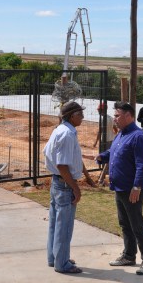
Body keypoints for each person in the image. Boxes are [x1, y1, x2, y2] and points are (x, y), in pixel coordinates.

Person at [96, 101, 143, 275]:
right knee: (125, 224)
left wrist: (137, 186)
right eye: (114, 115)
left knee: (137, 224)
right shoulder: (121, 135)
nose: (114, 119)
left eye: (117, 115)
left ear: (128, 116)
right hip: (120, 188)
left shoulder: (138, 136)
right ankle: (129, 255)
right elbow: (115, 152)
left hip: (131, 189)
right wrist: (101, 156)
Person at [44, 101, 95, 274]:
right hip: (65, 185)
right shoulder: (67, 134)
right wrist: (75, 188)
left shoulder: (59, 130)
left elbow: (48, 153)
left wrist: (85, 178)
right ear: (72, 116)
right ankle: (62, 264)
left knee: (55, 223)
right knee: (64, 226)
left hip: (57, 183)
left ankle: (55, 257)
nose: (83, 117)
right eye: (80, 114)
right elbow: (63, 165)